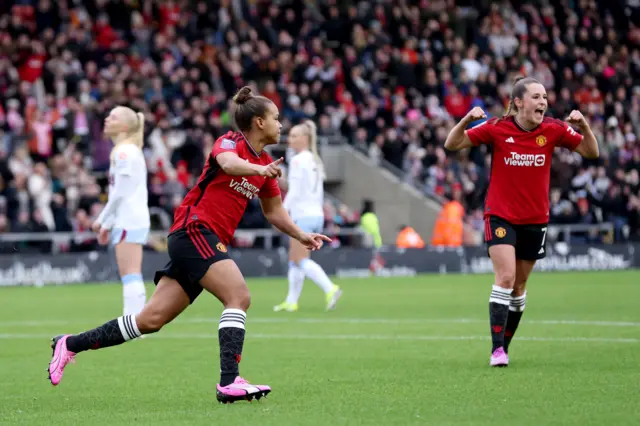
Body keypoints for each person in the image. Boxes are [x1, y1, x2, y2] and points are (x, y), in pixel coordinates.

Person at [47, 86, 331, 403]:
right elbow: (227, 163)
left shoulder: (266, 164)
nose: (282, 125)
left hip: (201, 241)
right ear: (259, 122)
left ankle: (70, 344)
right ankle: (229, 382)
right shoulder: (231, 142)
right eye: (276, 118)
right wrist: (258, 169)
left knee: (149, 320)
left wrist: (301, 235)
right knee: (238, 296)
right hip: (194, 230)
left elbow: (274, 211)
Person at [444, 76, 599, 367]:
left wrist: (585, 127)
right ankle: (496, 350)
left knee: (519, 287)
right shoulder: (497, 128)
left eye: (544, 97)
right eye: (536, 97)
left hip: (535, 219)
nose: (543, 102)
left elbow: (592, 152)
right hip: (500, 214)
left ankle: (504, 345)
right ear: (518, 102)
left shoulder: (553, 129)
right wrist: (466, 119)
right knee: (505, 278)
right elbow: (452, 144)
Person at [273, 120, 342, 313]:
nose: (290, 139)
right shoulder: (314, 159)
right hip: (315, 214)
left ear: (305, 138)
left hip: (302, 214)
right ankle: (291, 301)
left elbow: (294, 191)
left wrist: (281, 213)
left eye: (295, 136)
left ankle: (331, 288)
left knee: (300, 259)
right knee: (294, 259)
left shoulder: (297, 160)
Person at [92, 106, 150, 317]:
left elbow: (120, 192)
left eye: (113, 117)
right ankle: (134, 322)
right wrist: (108, 224)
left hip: (129, 219)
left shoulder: (125, 152)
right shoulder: (126, 150)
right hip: (128, 218)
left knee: (130, 274)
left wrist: (102, 220)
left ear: (124, 126)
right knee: (130, 274)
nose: (107, 120)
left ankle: (133, 322)